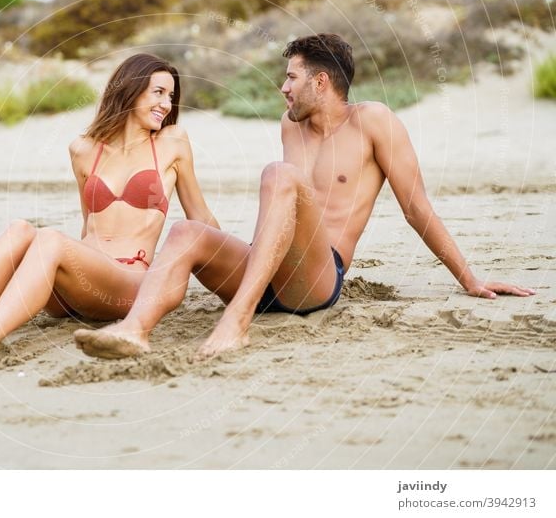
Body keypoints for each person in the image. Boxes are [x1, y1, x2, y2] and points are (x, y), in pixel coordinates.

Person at [74, 33, 535, 361]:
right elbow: (279, 218)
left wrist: (469, 279)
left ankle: (237, 322)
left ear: (321, 82)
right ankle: (134, 331)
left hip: (315, 279)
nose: (283, 87)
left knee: (280, 175)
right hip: (265, 267)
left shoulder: (373, 122)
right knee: (186, 230)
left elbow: (416, 208)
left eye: (291, 77)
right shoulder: (288, 124)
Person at [0, 53, 217, 369]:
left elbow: (201, 219)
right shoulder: (83, 150)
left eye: (171, 96)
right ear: (130, 90)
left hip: (128, 284)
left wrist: (239, 275)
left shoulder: (172, 143)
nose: (166, 103)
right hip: (75, 287)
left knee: (50, 238)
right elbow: (89, 224)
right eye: (158, 92)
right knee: (19, 230)